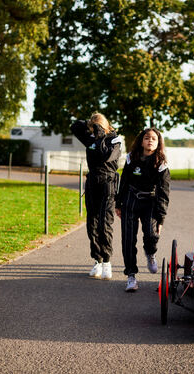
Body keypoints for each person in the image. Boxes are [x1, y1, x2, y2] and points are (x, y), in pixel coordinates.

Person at [115, 128, 170, 292]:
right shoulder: (132, 157)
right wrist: (118, 203)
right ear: (141, 141)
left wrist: (161, 218)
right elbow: (124, 180)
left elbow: (164, 192)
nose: (150, 141)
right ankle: (131, 276)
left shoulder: (161, 162)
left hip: (151, 202)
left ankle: (150, 252)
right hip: (131, 200)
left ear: (158, 142)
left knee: (152, 234)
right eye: (147, 138)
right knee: (128, 240)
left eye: (154, 138)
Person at [71, 113, 122, 280]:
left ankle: (107, 262)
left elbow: (106, 156)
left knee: (104, 224)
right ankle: (97, 260)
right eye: (93, 127)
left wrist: (101, 134)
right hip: (92, 182)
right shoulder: (90, 139)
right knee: (91, 224)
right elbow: (74, 126)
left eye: (97, 126)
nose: (94, 130)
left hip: (108, 183)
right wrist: (89, 123)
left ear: (105, 126)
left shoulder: (114, 140)